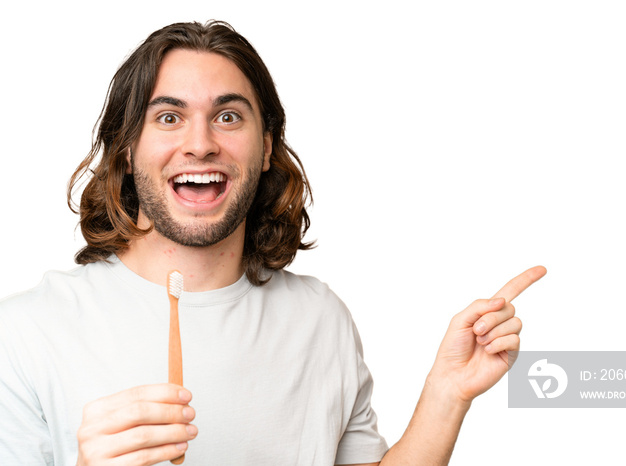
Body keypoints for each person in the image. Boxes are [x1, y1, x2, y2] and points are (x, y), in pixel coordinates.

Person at [0, 20, 545, 465]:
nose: (200, 143)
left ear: (264, 149)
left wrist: (445, 395)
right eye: (168, 117)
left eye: (228, 116)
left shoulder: (320, 319)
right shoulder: (25, 333)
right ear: (126, 149)